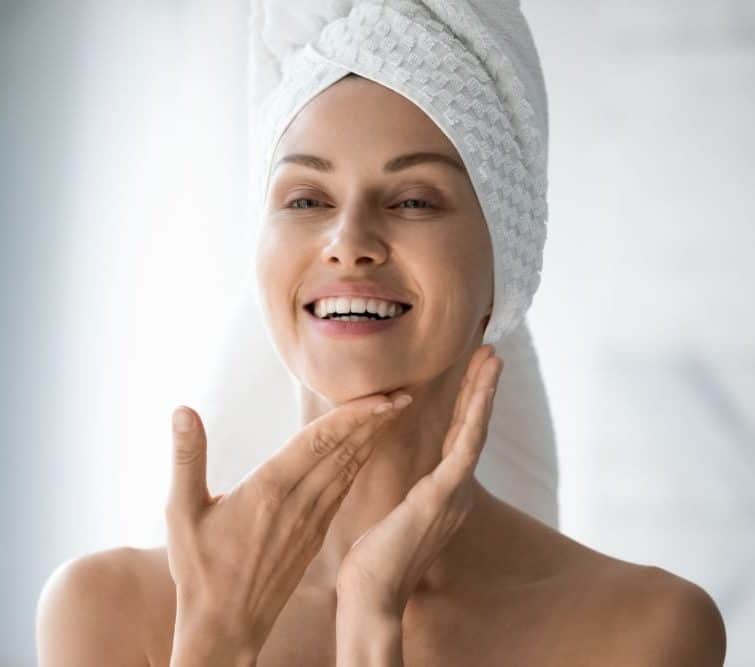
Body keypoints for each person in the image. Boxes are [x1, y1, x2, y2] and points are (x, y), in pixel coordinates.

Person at [36, 2, 727, 666]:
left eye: (414, 200)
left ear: (504, 266)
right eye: (305, 198)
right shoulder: (104, 609)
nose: (349, 241)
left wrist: (371, 615)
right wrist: (216, 639)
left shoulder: (644, 628)